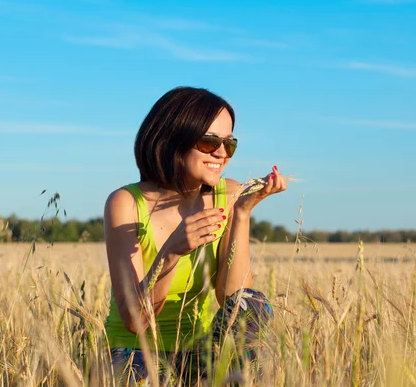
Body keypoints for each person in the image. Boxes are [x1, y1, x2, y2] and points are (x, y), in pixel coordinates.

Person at [103, 86, 287, 384]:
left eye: (230, 143)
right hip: (136, 352)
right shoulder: (126, 203)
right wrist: (171, 253)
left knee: (251, 301)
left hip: (198, 352)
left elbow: (232, 295)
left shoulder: (227, 193)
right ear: (172, 139)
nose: (221, 153)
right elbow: (135, 321)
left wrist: (240, 214)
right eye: (209, 141)